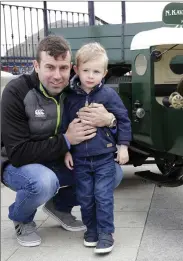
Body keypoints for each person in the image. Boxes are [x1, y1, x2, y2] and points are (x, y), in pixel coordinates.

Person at [0, 35, 125, 247]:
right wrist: (66, 140)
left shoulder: (77, 91)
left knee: (113, 173)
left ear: (72, 68)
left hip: (61, 159)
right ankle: (21, 218)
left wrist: (110, 120)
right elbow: (18, 152)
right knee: (43, 182)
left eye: (63, 67)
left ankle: (59, 206)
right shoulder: (16, 91)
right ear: (36, 66)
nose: (57, 76)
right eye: (50, 67)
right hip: (17, 163)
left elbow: (120, 120)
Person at [61, 42, 132, 253]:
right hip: (80, 159)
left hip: (103, 157)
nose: (90, 76)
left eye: (96, 71)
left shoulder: (108, 95)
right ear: (76, 69)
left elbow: (123, 120)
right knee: (85, 197)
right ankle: (91, 230)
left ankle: (105, 234)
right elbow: (64, 126)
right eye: (86, 70)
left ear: (105, 73)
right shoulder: (70, 98)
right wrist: (65, 149)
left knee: (103, 195)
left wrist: (123, 146)